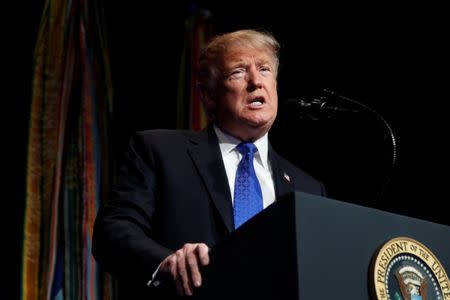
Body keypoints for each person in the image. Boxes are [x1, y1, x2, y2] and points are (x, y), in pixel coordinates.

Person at [92, 29, 326, 299]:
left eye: (264, 70)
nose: (256, 82)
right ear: (208, 96)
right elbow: (114, 230)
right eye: (238, 72)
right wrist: (167, 261)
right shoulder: (160, 151)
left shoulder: (308, 189)